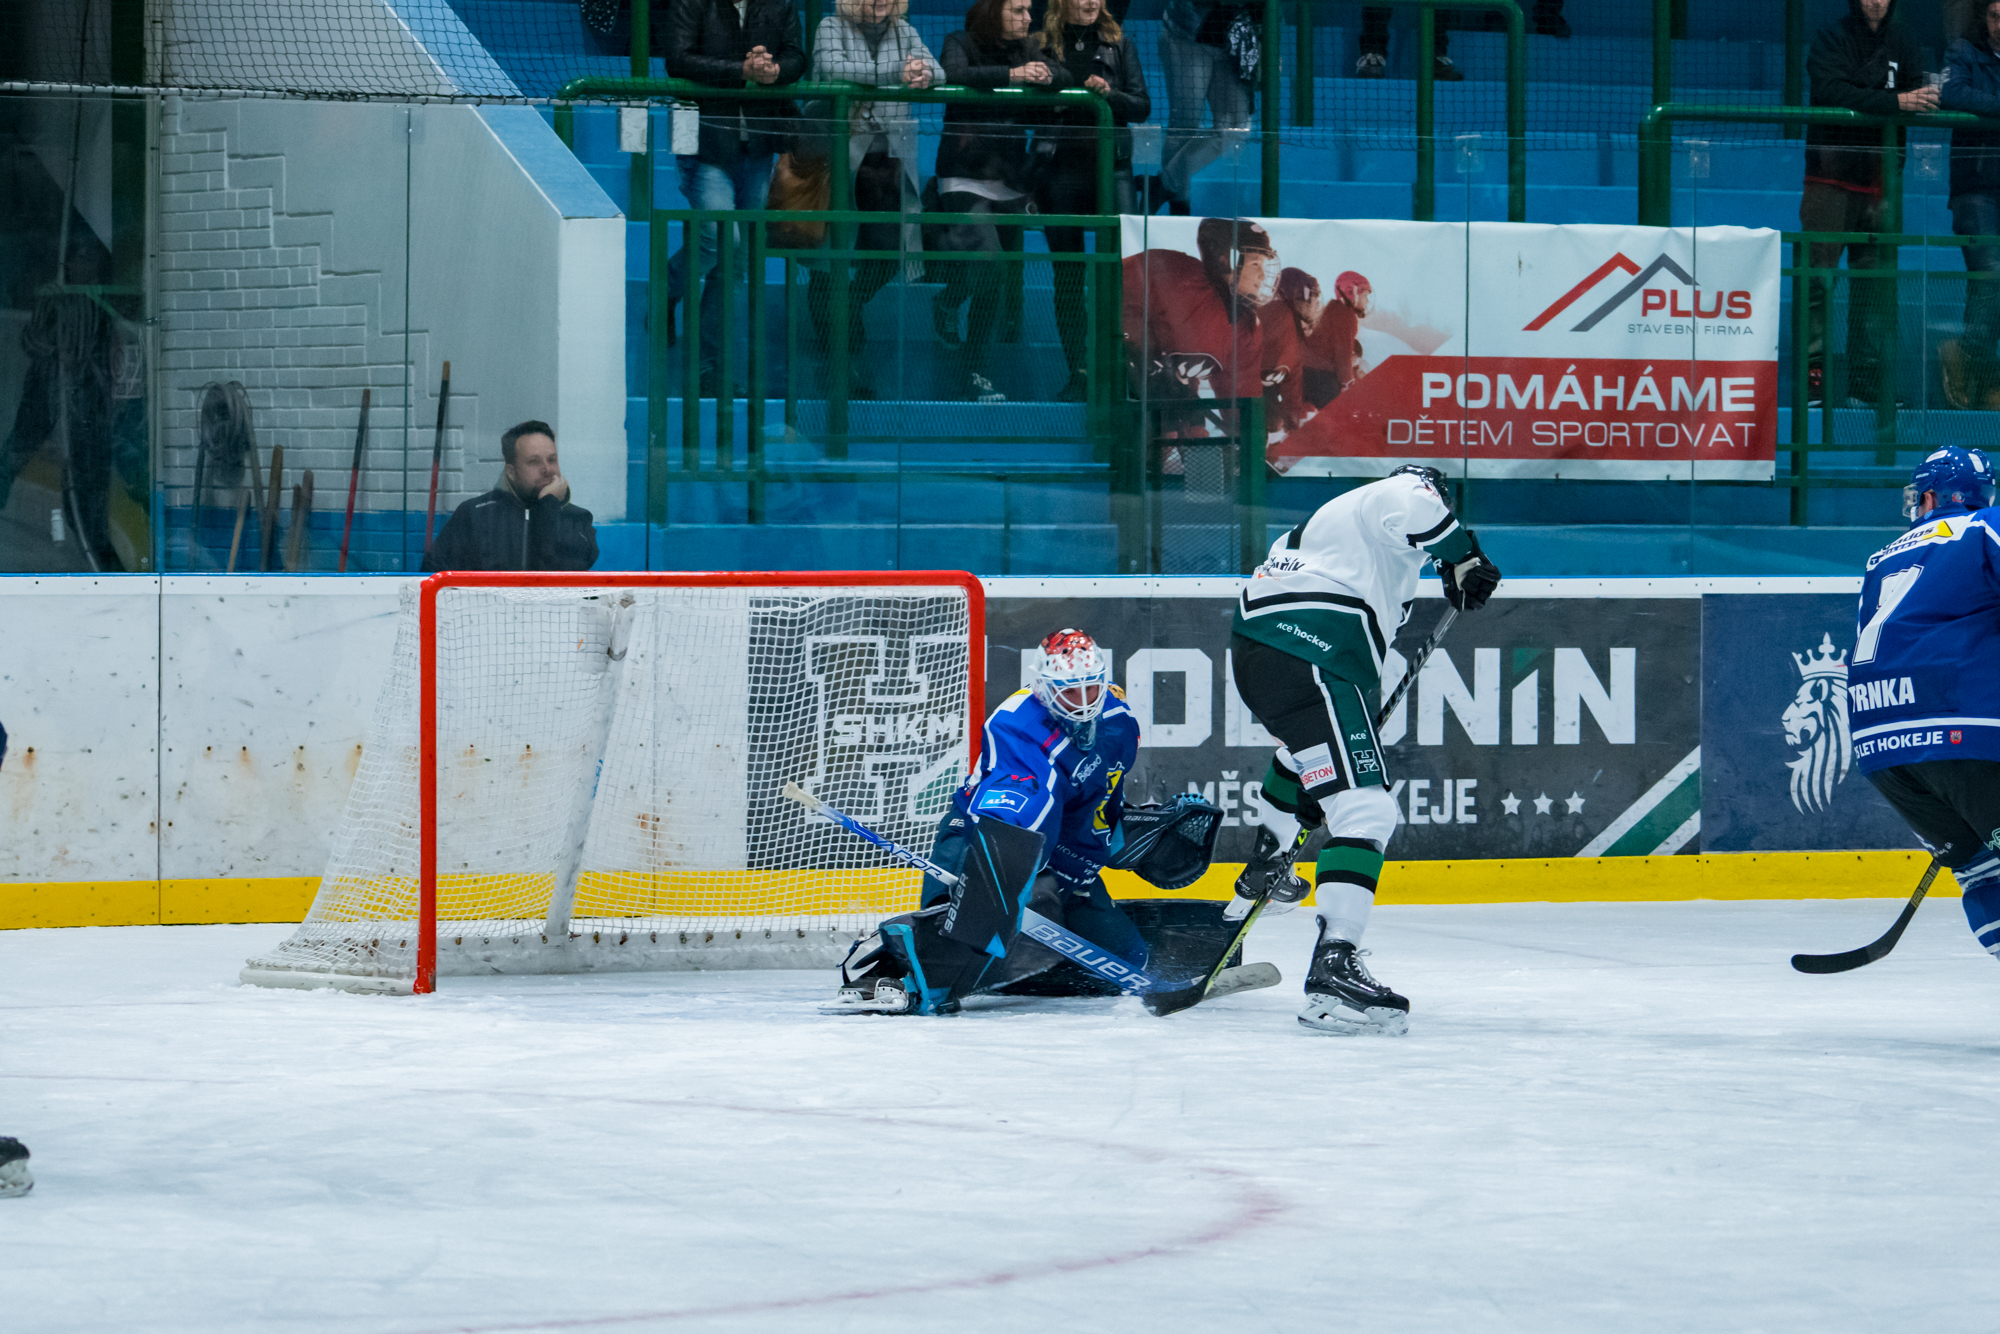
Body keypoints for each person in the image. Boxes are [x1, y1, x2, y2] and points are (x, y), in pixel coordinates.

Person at [1227, 465, 1501, 1035]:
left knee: (1303, 759)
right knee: (1368, 809)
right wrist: (1463, 555)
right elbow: (1413, 501)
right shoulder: (1396, 493)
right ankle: (1335, 962)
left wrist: (1447, 564)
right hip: (1314, 644)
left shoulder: (1335, 533)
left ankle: (1265, 869)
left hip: (1264, 646)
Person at [831, 629, 1146, 1014]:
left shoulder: (1117, 718)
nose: (1082, 703)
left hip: (1062, 869)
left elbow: (1106, 793)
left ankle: (1006, 966)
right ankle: (883, 966)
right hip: (979, 845)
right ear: (1044, 689)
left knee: (1127, 961)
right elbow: (1013, 823)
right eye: (1069, 692)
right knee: (963, 940)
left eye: (1090, 689)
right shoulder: (1017, 727)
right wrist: (1010, 885)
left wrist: (1116, 840)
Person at [1847, 447, 2000, 967]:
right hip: (1964, 730)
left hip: (1881, 748)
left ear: (1931, 496)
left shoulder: (1880, 558)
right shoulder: (1983, 527)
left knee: (1981, 870)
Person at [664, 0, 808, 399]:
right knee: (721, 239)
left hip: (759, 148)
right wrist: (741, 71)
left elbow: (798, 56)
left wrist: (775, 69)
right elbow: (677, 60)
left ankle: (711, 367)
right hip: (708, 146)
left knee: (736, 262)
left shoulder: (779, 6)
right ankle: (667, 289)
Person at [804, 0, 944, 399]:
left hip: (886, 165)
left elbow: (940, 71)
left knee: (887, 251)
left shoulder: (904, 31)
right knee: (829, 262)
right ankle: (840, 365)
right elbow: (834, 70)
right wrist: (897, 73)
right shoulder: (830, 26)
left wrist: (922, 74)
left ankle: (847, 316)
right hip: (837, 162)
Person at [1802, 0, 1936, 408]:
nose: (1875, 1)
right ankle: (1814, 380)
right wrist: (1894, 102)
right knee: (1817, 280)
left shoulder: (1906, 42)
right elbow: (1829, 90)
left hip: (1882, 183)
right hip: (1829, 176)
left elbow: (1925, 96)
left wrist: (1869, 98)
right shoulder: (1831, 38)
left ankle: (1866, 382)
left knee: (1875, 287)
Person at [930, 0, 1051, 404]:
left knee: (991, 277)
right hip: (963, 177)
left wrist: (1048, 74)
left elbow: (1064, 75)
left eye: (1028, 10)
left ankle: (953, 314)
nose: (1028, 17)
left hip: (1011, 180)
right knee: (990, 264)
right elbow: (955, 73)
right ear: (993, 11)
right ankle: (972, 368)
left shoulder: (1029, 46)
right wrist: (1014, 75)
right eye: (1018, 10)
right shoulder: (959, 41)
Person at [1036, 0, 1150, 402]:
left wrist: (1110, 94)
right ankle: (1079, 371)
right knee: (1067, 278)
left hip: (1112, 169)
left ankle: (1120, 370)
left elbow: (1141, 104)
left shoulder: (1119, 42)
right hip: (1060, 168)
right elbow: (1024, 103)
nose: (1090, 3)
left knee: (1122, 275)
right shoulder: (1042, 42)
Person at [1122, 217, 1275, 420]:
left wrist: (1246, 441)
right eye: (1256, 264)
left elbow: (1242, 398)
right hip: (1120, 385)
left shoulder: (1246, 326)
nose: (1263, 276)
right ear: (1224, 259)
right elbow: (1110, 287)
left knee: (1192, 429)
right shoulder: (1175, 274)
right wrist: (1140, 352)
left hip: (1169, 395)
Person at [423, 421, 599, 573]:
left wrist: (548, 506)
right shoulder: (474, 515)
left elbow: (570, 568)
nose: (547, 469)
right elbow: (431, 574)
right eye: (534, 462)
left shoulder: (577, 519)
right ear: (511, 472)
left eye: (552, 459)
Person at [1940, 0, 2000, 408]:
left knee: (1990, 287)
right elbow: (1950, 92)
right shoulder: (1965, 52)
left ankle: (1972, 365)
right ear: (1986, 18)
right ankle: (1982, 375)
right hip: (1975, 187)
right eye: (1996, 16)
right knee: (1991, 275)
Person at [1151, 0, 1253, 216]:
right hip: (1187, 34)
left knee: (1235, 129)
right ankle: (1179, 206)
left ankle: (1162, 185)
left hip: (1232, 41)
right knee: (1185, 124)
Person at [1300, 269, 1370, 408]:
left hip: (1307, 375)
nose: (1367, 301)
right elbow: (1343, 353)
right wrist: (1347, 382)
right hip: (1322, 378)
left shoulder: (1332, 309)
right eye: (1365, 295)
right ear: (1352, 292)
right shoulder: (1345, 315)